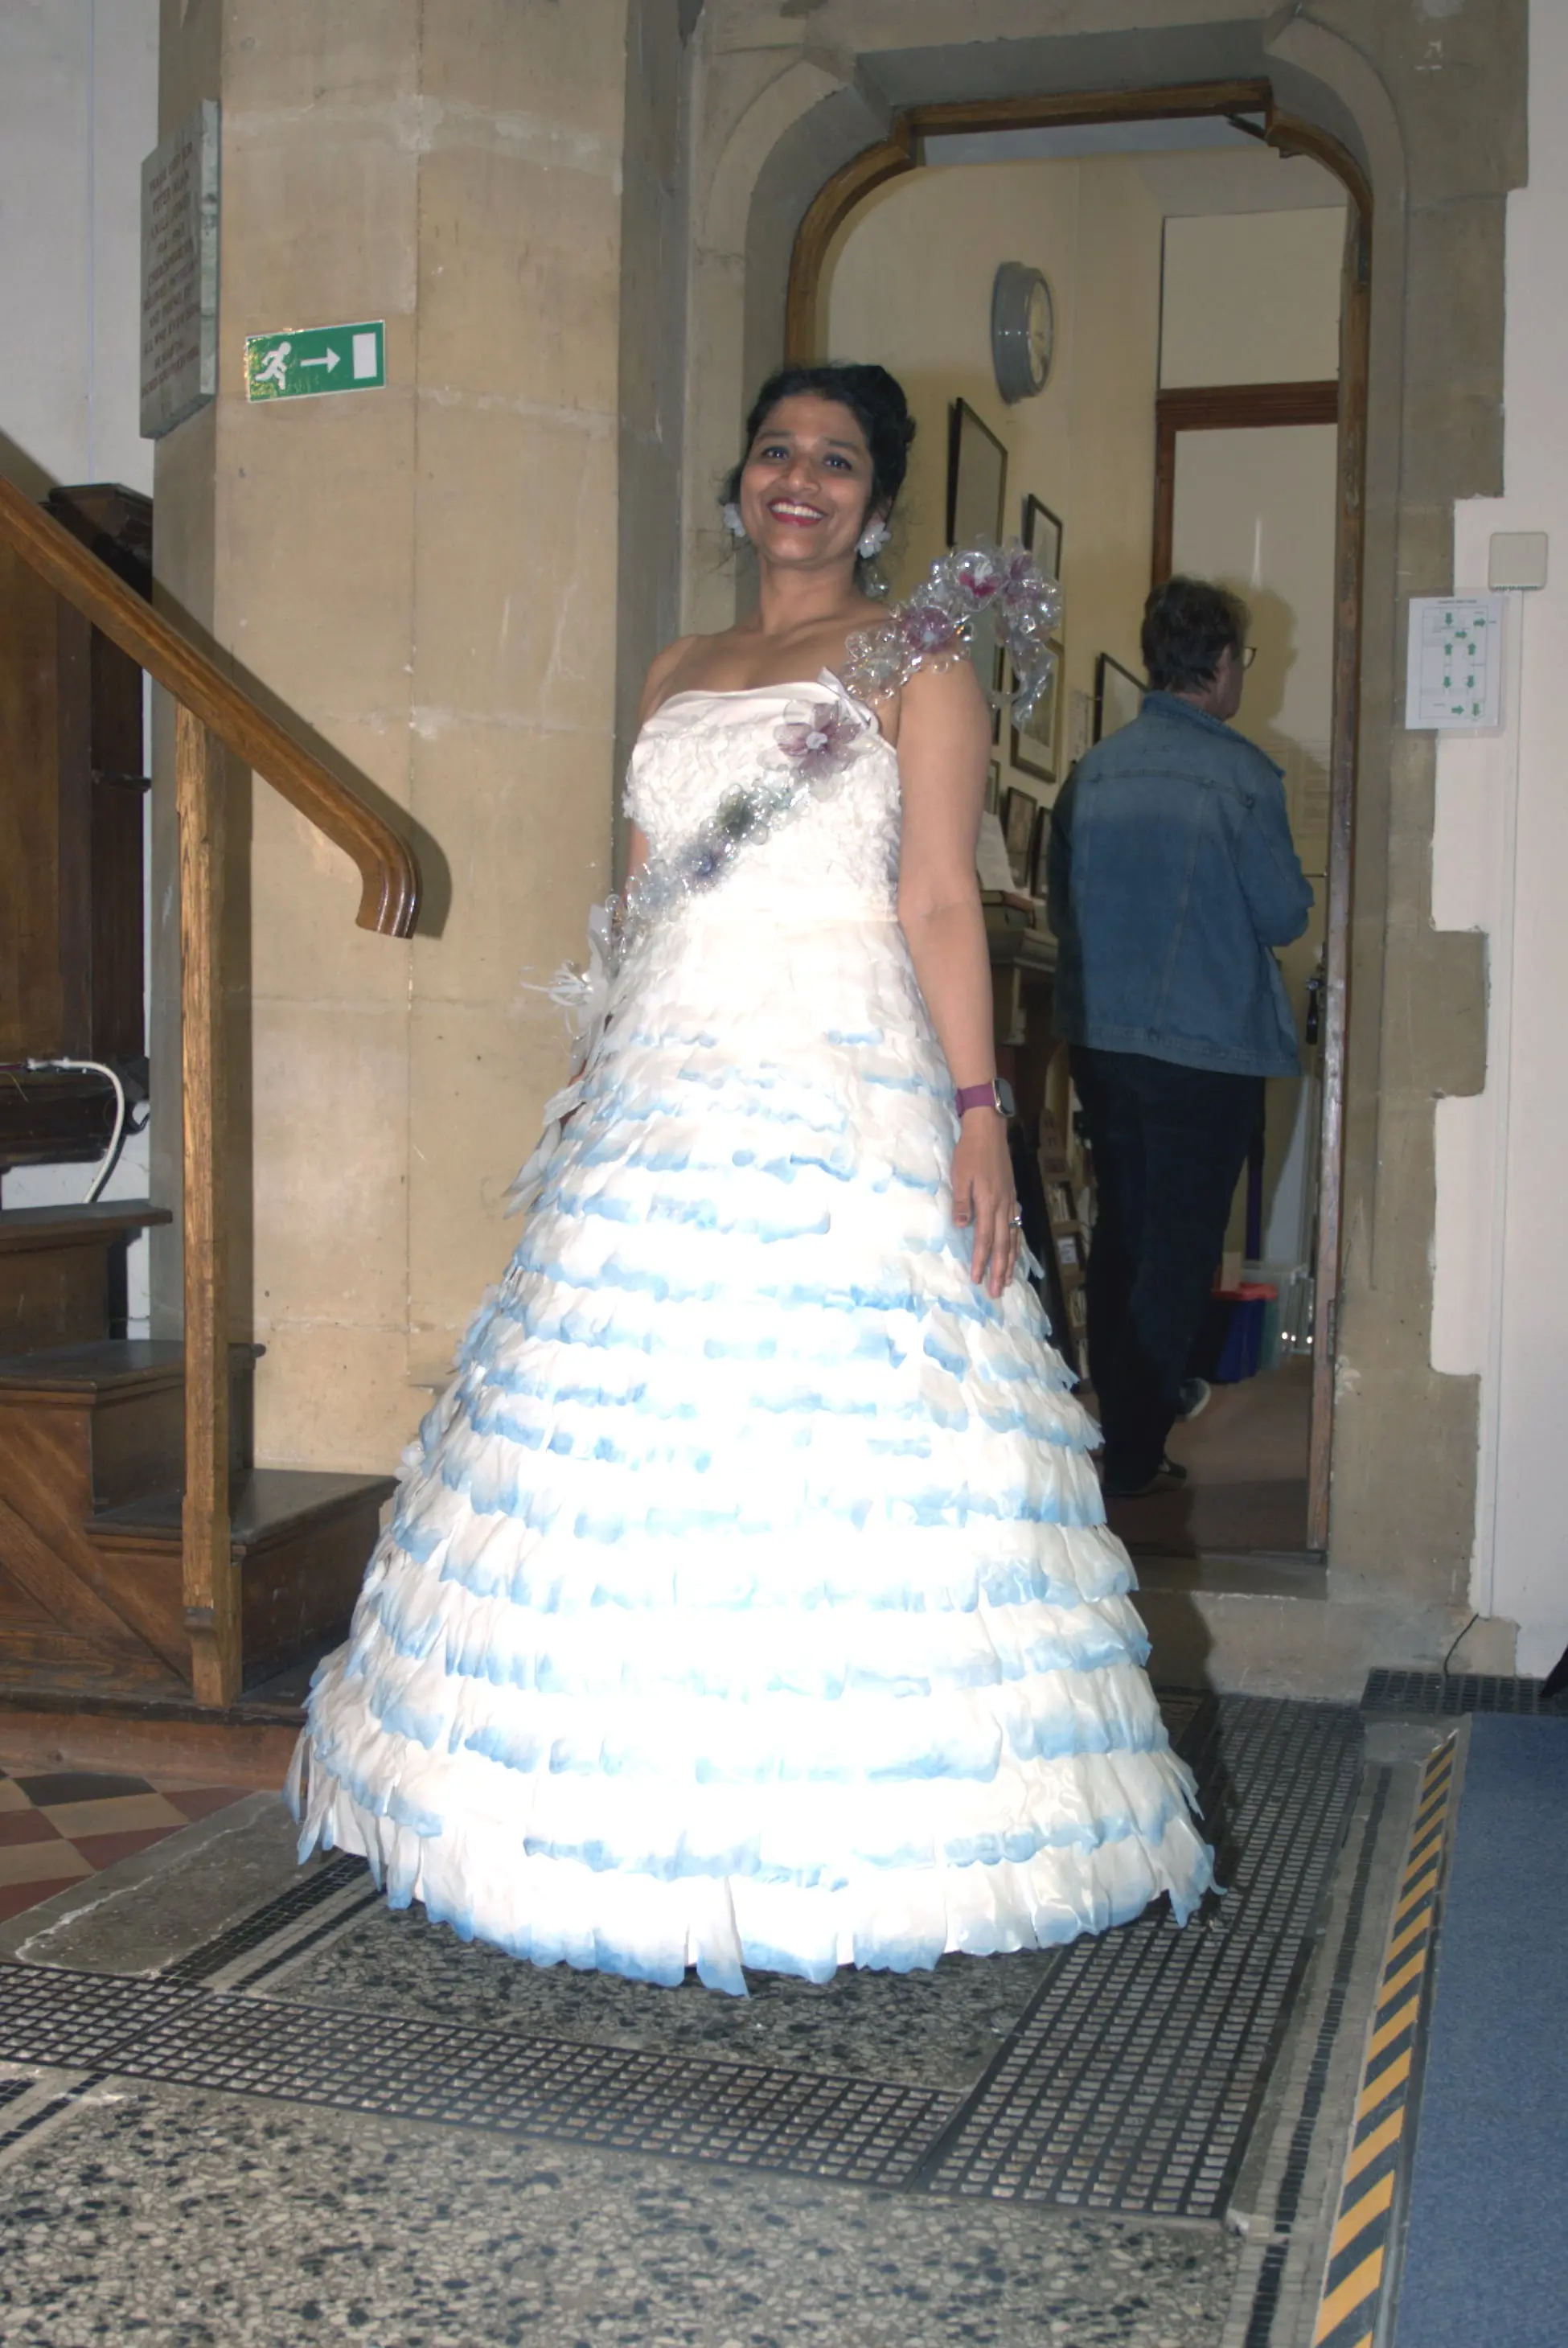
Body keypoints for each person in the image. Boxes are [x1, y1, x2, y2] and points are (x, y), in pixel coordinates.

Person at [289, 363, 1213, 1993]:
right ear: (741, 483)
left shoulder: (919, 664)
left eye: (837, 459)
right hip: (666, 1079)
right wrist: (596, 1069)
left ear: (877, 501)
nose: (802, 477)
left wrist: (979, 1111)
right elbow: (642, 898)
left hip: (837, 1072)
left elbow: (939, 899)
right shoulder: (676, 668)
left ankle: (833, 1842)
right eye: (778, 450)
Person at [1046, 576, 1312, 1501]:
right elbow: (1283, 914)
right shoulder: (1242, 778)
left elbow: (1063, 910)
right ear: (1223, 663)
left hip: (1105, 1042)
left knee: (1123, 1233)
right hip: (1206, 1051)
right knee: (1182, 1249)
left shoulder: (1093, 774)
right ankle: (1133, 1449)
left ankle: (1120, 1431)